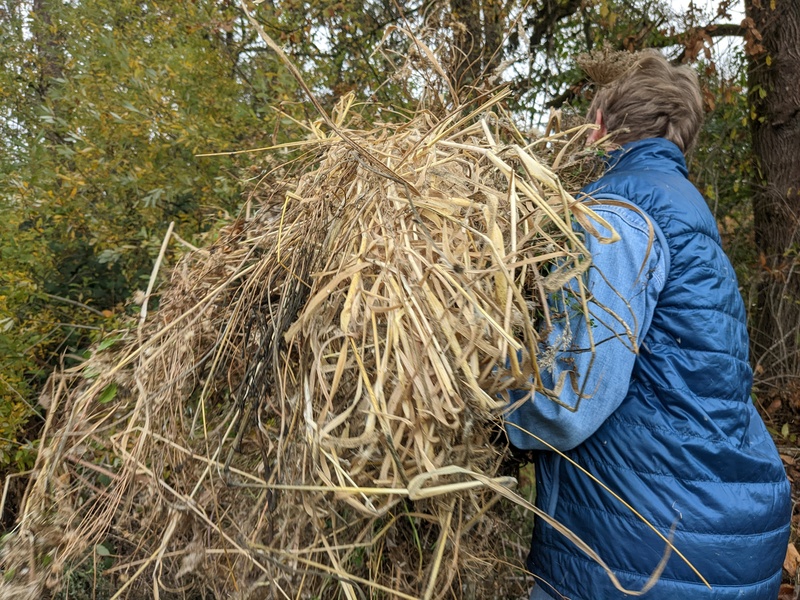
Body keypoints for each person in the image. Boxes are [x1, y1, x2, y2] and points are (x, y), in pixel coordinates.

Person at [504, 50, 792, 599]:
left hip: (642, 543)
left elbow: (574, 396)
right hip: (722, 525)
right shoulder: (687, 212)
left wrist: (493, 409)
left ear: (599, 127)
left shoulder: (616, 215)